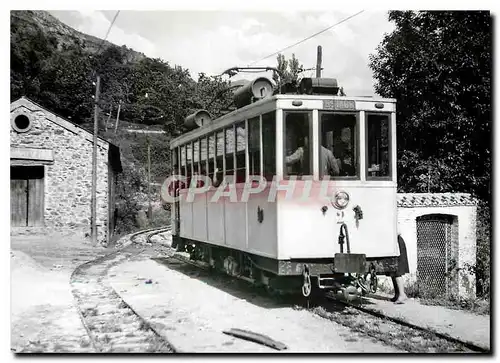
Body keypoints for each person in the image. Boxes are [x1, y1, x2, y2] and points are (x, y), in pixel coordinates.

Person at [391, 234, 409, 304]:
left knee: (397, 270)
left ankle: (402, 295)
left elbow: (397, 232)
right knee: (392, 270)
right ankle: (397, 294)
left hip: (397, 244)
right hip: (393, 243)